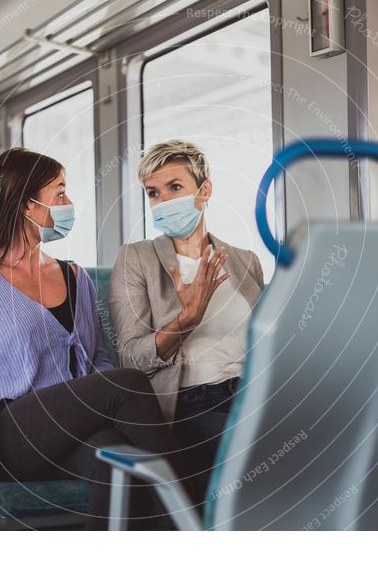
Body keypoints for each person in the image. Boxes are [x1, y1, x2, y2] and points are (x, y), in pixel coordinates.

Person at [0, 147, 192, 530]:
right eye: (60, 194)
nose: (69, 204)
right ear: (26, 205)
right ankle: (202, 518)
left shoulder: (74, 276)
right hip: (5, 432)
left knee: (122, 463)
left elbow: (98, 363)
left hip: (70, 428)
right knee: (129, 383)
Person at [108, 139, 264, 498]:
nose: (163, 201)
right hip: (192, 403)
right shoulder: (136, 259)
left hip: (252, 396)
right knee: (251, 462)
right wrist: (187, 319)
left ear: (204, 190)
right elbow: (131, 357)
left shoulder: (245, 261)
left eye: (175, 187)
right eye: (153, 193)